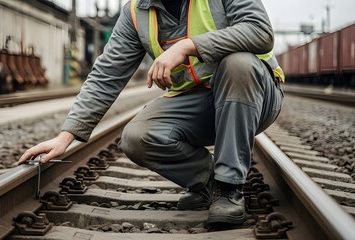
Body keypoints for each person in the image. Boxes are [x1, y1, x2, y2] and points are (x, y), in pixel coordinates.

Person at [19, 0, 284, 225]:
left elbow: (259, 31)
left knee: (238, 63)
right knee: (137, 136)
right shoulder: (138, 12)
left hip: (252, 96)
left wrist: (186, 47)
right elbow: (107, 74)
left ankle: (229, 188)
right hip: (199, 104)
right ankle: (209, 183)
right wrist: (65, 136)